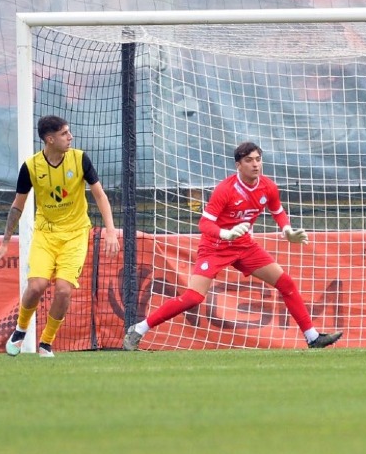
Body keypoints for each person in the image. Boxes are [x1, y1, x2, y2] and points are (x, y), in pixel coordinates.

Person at [122, 142, 341, 351]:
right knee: (193, 298)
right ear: (238, 165)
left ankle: (312, 337)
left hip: (244, 246)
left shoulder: (268, 186)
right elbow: (204, 223)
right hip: (215, 247)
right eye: (249, 160)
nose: (255, 164)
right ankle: (139, 329)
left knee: (286, 283)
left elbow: (278, 211)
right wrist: (225, 233)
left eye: (258, 159)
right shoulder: (226, 189)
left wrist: (287, 230)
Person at [0, 115, 121, 358]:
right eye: (64, 134)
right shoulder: (31, 167)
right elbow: (18, 205)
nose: (70, 137)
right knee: (36, 286)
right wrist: (5, 242)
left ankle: (46, 342)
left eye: (68, 132)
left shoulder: (80, 159)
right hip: (46, 234)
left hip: (75, 235)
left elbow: (100, 195)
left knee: (63, 290)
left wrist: (110, 230)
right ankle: (20, 330)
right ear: (50, 139)